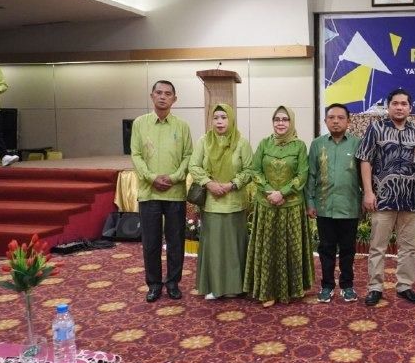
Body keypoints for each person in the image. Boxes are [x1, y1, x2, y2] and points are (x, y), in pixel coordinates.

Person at [356, 88, 415, 306]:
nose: (399, 107)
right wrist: (368, 192)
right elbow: (365, 160)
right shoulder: (375, 128)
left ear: (410, 107)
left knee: (408, 246)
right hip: (382, 198)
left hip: (409, 199)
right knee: (378, 246)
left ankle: (404, 286)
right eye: (395, 103)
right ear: (388, 107)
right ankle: (375, 287)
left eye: (404, 104)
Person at [244, 106, 314, 307]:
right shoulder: (264, 143)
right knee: (268, 249)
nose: (280, 123)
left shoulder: (299, 146)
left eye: (285, 119)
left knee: (291, 249)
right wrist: (270, 192)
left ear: (291, 122)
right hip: (266, 205)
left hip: (291, 206)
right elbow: (255, 171)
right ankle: (267, 291)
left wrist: (282, 193)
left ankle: (293, 289)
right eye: (277, 119)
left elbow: (302, 175)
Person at [130, 80, 193, 302]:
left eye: (167, 93)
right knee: (151, 242)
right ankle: (154, 284)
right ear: (152, 96)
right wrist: (151, 177)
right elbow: (136, 155)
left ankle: (173, 283)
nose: (163, 97)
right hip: (149, 192)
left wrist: (174, 178)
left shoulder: (182, 126)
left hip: (175, 192)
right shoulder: (140, 123)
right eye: (159, 92)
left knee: (176, 241)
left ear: (174, 99)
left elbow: (188, 156)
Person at [189, 104, 253, 300]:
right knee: (214, 247)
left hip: (234, 202)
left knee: (234, 247)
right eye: (215, 117)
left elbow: (249, 169)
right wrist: (209, 183)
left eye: (223, 117)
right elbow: (194, 165)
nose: (219, 121)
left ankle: (236, 286)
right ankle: (214, 287)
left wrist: (231, 184)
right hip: (212, 202)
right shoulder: (204, 141)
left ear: (231, 119)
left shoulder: (241, 142)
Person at [306, 103, 362, 303]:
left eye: (340, 117)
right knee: (326, 249)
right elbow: (311, 175)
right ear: (325, 121)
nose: (336, 121)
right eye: (331, 118)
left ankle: (347, 285)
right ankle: (327, 285)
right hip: (324, 207)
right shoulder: (317, 144)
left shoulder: (357, 144)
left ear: (348, 121)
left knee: (348, 250)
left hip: (349, 206)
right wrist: (310, 202)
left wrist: (366, 199)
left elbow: (364, 176)